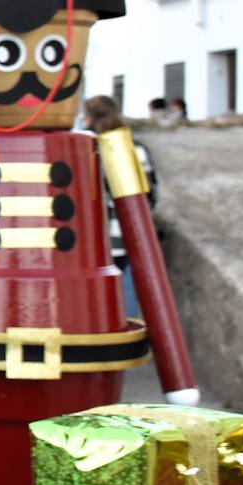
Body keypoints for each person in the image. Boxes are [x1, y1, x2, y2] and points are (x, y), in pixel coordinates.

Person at [82, 95, 158, 320]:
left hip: (92, 237)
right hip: (129, 233)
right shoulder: (134, 148)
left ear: (88, 117)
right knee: (125, 294)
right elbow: (149, 195)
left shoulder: (84, 148)